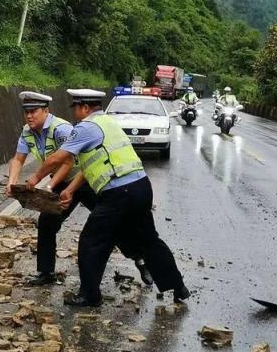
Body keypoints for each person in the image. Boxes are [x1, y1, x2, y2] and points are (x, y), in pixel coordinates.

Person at [25, 89, 189, 307]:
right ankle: (178, 286)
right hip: (140, 188)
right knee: (149, 240)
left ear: (84, 107)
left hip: (118, 193)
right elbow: (87, 166)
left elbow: (57, 159)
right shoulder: (108, 123)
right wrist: (71, 190)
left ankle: (89, 295)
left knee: (91, 241)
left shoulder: (85, 127)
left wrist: (34, 180)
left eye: (76, 108)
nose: (74, 112)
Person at [7, 91, 152, 287]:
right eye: (26, 112)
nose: (29, 116)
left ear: (46, 111)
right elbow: (18, 159)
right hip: (61, 183)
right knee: (46, 223)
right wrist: (12, 182)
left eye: (33, 111)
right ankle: (46, 272)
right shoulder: (27, 131)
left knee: (110, 224)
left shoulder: (62, 129)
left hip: (84, 180)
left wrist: (48, 185)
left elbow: (66, 162)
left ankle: (140, 259)